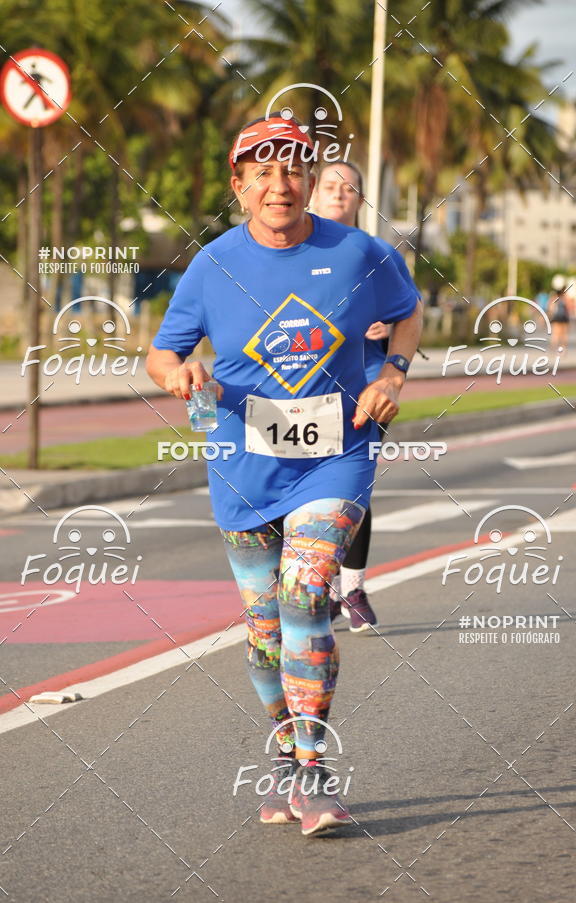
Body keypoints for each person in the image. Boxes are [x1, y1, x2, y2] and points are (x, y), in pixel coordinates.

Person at [146, 116, 422, 835]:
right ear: (239, 187)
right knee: (264, 629)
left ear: (309, 179)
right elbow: (161, 354)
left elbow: (408, 314)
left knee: (305, 597)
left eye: (294, 169)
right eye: (263, 172)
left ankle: (313, 768)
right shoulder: (212, 265)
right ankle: (282, 748)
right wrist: (182, 372)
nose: (281, 184)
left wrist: (393, 369)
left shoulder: (359, 251)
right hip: (243, 463)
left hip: (337, 452)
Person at [311, 161, 421, 631]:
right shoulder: (284, 249)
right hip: (301, 390)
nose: (339, 194)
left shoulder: (376, 252)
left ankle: (351, 589)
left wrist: (388, 331)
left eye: (349, 188)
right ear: (312, 193)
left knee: (350, 486)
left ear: (360, 199)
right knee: (301, 491)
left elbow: (409, 311)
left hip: (366, 384)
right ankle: (323, 589)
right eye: (331, 186)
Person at [548, 275, 572, 351]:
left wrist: (550, 315)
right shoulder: (565, 297)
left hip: (556, 317)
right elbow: (569, 307)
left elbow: (550, 307)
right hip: (564, 317)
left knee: (555, 334)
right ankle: (563, 349)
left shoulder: (554, 297)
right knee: (564, 334)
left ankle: (553, 348)